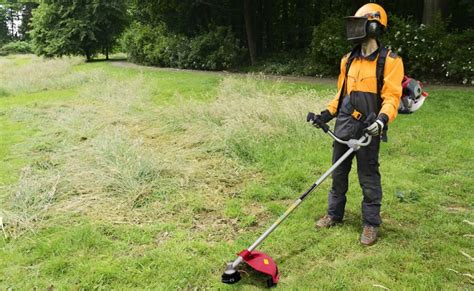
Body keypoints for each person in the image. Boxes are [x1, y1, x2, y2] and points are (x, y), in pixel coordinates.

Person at [308, 3, 404, 246]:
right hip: (344, 124)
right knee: (338, 172)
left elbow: (392, 98)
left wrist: (382, 121)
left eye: (358, 23)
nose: (353, 29)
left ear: (373, 26)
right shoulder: (348, 59)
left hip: (368, 128)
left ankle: (371, 223)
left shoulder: (390, 61)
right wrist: (325, 114)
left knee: (368, 176)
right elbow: (341, 96)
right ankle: (334, 214)